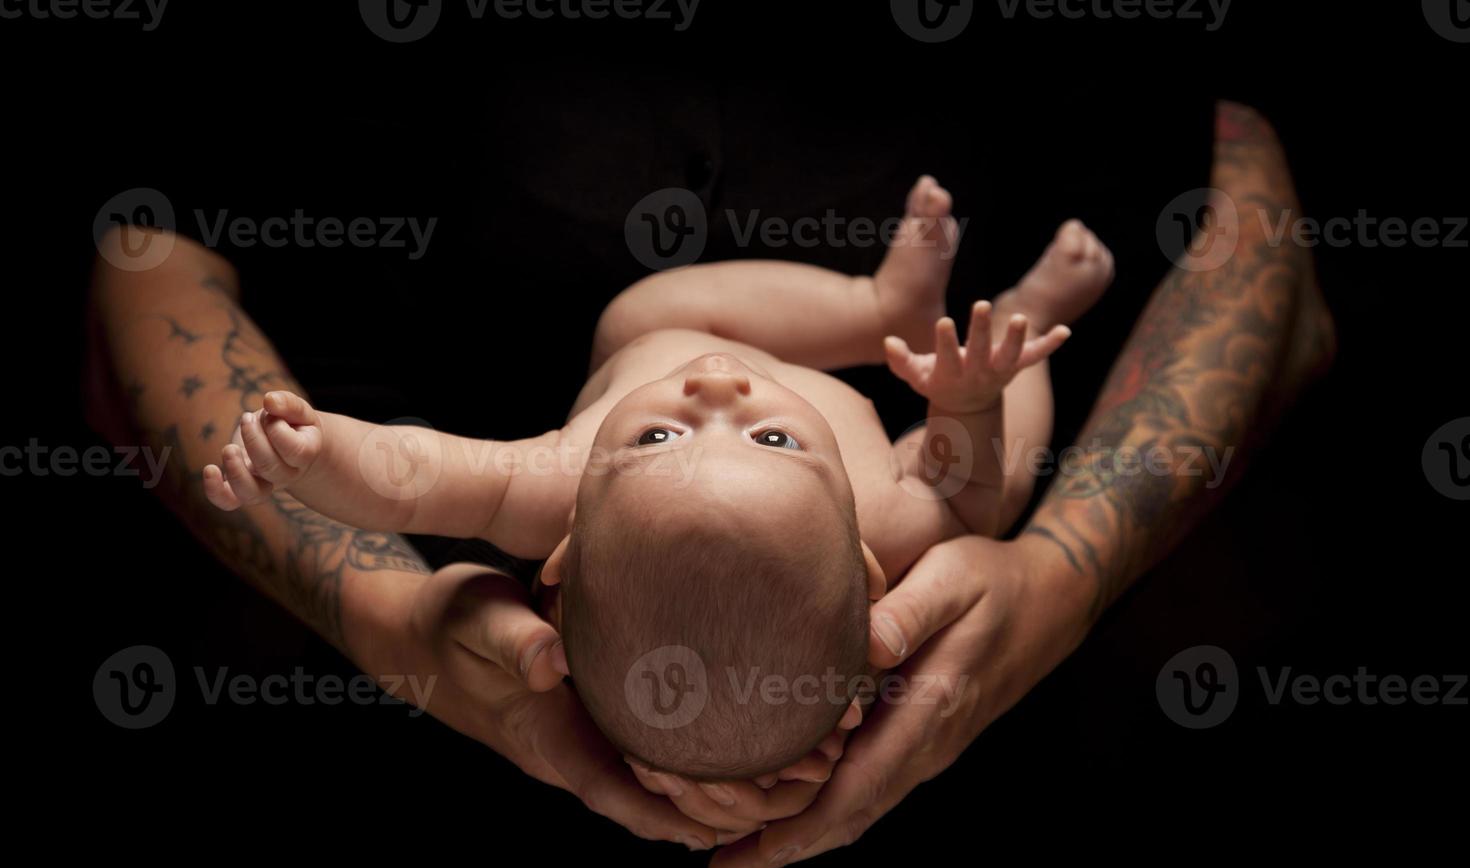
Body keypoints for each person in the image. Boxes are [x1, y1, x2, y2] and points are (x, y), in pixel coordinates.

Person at [195, 176, 1110, 781]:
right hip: (922, 450)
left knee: (649, 316)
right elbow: (961, 489)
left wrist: (310, 457)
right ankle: (1009, 330)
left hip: (677, 320)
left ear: (564, 553)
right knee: (987, 499)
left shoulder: (551, 484)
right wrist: (966, 409)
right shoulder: (887, 517)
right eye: (779, 442)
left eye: (659, 435)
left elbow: (411, 478)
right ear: (866, 572)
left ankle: (885, 311)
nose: (718, 386)